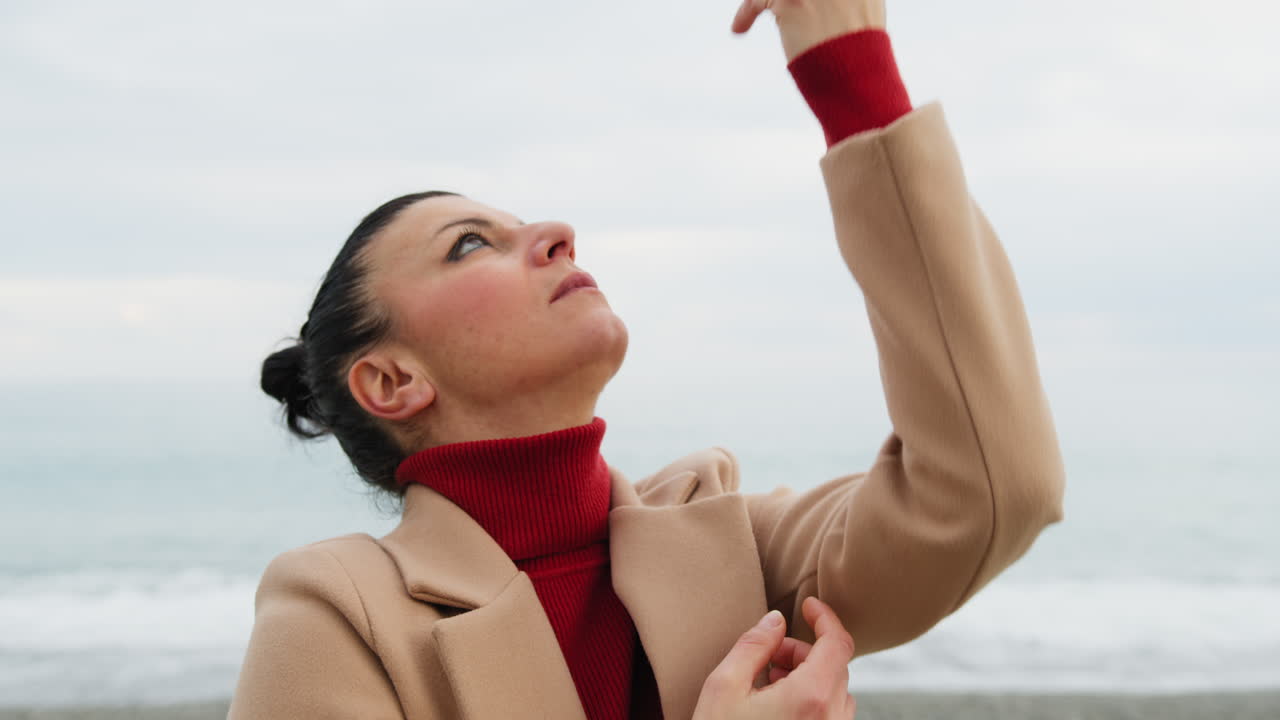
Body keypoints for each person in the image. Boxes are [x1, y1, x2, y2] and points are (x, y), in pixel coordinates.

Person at [229, 0, 1066, 717]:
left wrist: (850, 71)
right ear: (391, 381)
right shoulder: (336, 611)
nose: (555, 233)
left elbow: (990, 489)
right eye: (471, 245)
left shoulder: (730, 539)